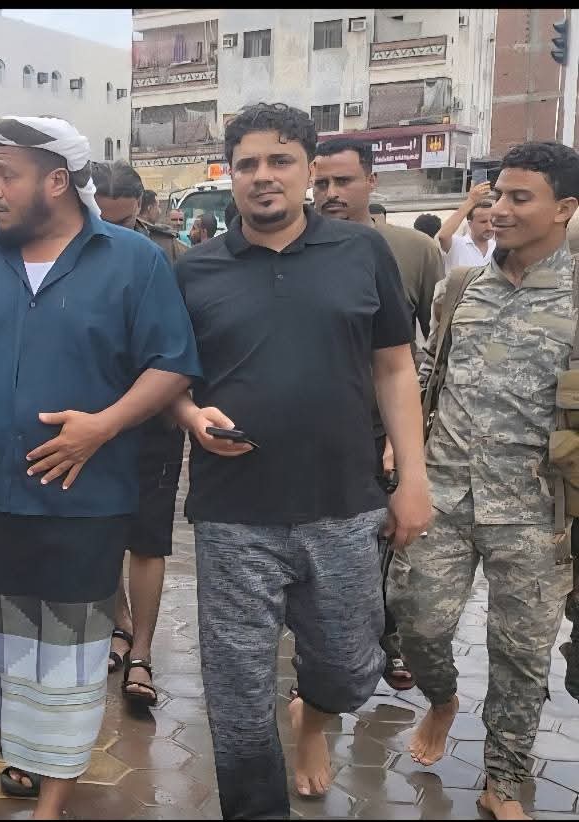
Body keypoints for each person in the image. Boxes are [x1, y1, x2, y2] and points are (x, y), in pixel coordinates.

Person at [0, 115, 201, 820]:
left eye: (6, 175)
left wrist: (104, 425)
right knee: (5, 650)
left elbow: (172, 364)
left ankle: (53, 799)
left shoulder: (131, 260)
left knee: (67, 657)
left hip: (83, 502)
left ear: (57, 181)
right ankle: (25, 756)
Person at [171, 103, 431, 819]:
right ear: (231, 174)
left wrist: (413, 478)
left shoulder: (362, 252)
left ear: (308, 169)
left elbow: (395, 368)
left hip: (344, 504)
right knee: (237, 691)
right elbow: (168, 382)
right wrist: (191, 416)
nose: (263, 176)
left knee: (350, 669)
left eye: (279, 161)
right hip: (233, 512)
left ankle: (313, 715)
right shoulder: (194, 271)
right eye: (247, 164)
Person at [390, 141, 579, 821]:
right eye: (497, 195)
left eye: (520, 198)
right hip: (442, 495)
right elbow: (425, 376)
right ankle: (442, 699)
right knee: (416, 623)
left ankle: (503, 779)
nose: (499, 209)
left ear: (564, 208)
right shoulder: (462, 288)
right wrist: (402, 460)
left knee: (520, 654)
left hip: (536, 509)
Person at [312, 137, 445, 691]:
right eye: (322, 183)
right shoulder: (295, 250)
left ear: (371, 181)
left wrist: (404, 442)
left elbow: (431, 348)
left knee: (384, 543)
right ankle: (320, 662)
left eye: (344, 181)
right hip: (313, 434)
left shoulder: (413, 251)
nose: (331, 193)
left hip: (379, 428)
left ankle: (384, 643)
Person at [92, 160, 188, 708]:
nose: (113, 232)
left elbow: (184, 347)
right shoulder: (69, 250)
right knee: (103, 530)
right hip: (91, 420)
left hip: (154, 418)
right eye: (101, 219)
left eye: (124, 222)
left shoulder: (170, 256)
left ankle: (143, 651)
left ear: (143, 210)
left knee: (149, 538)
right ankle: (118, 624)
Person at [438, 181, 496, 271]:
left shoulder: (498, 248)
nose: (489, 227)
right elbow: (443, 235)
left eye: (492, 221)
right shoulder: (457, 244)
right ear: (470, 224)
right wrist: (471, 200)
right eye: (483, 222)